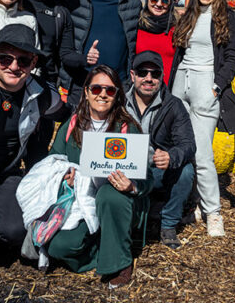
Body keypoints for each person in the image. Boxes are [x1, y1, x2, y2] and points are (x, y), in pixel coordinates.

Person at [40, 65, 153, 288]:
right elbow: (53, 161)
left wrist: (131, 186)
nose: (102, 94)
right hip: (81, 204)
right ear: (86, 92)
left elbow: (148, 179)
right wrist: (64, 176)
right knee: (58, 247)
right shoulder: (72, 125)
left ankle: (120, 262)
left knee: (109, 194)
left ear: (117, 94)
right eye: (96, 88)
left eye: (110, 90)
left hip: (118, 205)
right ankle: (103, 249)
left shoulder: (127, 128)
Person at [0, 24, 64, 296]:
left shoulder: (42, 94)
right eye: (5, 58)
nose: (14, 66)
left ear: (33, 63)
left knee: (13, 232)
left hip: (4, 171)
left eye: (23, 60)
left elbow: (75, 116)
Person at [169, 0, 235, 237]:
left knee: (202, 154)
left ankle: (213, 212)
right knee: (179, 147)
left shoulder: (228, 20)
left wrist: (216, 86)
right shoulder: (187, 16)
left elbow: (233, 57)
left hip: (206, 83)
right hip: (181, 82)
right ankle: (190, 203)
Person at [22, 0, 100, 167]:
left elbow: (65, 54)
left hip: (43, 87)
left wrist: (86, 59)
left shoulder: (60, 12)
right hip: (11, 84)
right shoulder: (16, 0)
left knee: (37, 154)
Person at [125, 51, 195, 249]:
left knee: (185, 170)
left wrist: (171, 156)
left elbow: (188, 144)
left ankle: (168, 225)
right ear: (132, 75)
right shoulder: (118, 100)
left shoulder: (174, 105)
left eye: (155, 74)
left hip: (155, 170)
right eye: (142, 72)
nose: (149, 78)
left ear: (162, 76)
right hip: (124, 168)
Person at [54, 0, 141, 106]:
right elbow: (42, 0)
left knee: (114, 129)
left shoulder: (133, 2)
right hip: (81, 83)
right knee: (76, 128)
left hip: (117, 84)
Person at [136, 0, 176, 85]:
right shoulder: (136, 26)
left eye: (165, 1)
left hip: (168, 92)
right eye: (154, 0)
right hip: (141, 90)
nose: (159, 4)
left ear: (171, 3)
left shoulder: (177, 29)